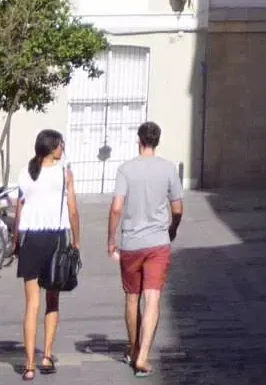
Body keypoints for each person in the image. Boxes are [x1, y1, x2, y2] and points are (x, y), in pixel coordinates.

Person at [106, 122, 182, 377]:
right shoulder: (169, 169)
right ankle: (143, 356)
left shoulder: (126, 170)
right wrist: (172, 229)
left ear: (139, 140)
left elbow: (116, 207)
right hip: (158, 242)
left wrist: (110, 239)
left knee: (132, 297)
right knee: (153, 298)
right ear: (157, 141)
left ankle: (133, 345)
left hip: (131, 243)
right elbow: (178, 208)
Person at [15, 129, 80, 380]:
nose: (62, 148)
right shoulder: (64, 174)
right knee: (52, 301)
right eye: (61, 144)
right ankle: (46, 356)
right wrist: (77, 240)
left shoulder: (25, 173)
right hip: (55, 239)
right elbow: (72, 211)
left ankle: (29, 365)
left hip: (30, 240)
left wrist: (15, 241)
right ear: (54, 147)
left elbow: (19, 210)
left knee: (31, 304)